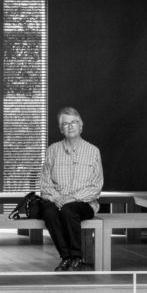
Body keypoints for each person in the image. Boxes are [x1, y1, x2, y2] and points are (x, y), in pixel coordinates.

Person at [39, 107, 104, 271]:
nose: (70, 126)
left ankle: (76, 256)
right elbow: (45, 183)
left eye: (74, 122)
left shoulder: (93, 151)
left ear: (81, 126)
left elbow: (96, 185)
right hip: (57, 200)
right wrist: (56, 198)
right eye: (65, 123)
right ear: (61, 128)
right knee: (49, 211)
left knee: (69, 209)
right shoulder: (52, 150)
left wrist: (72, 198)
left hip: (84, 203)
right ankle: (66, 257)